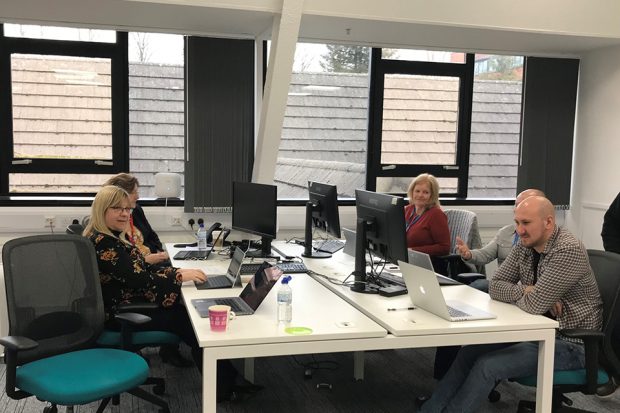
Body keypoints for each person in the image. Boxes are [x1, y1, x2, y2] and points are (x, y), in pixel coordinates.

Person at [420, 196, 603, 413]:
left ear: (548, 222)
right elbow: (494, 285)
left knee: (488, 366)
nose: (519, 230)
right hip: (535, 331)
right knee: (468, 353)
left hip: (571, 342)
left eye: (526, 223)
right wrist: (526, 290)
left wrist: (534, 295)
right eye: (517, 222)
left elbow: (533, 305)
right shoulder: (526, 243)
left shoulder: (567, 250)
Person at [84, 185, 251, 401]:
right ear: (102, 210)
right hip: (123, 314)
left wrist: (178, 271)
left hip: (125, 303)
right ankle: (225, 387)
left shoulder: (107, 237)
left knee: (191, 313)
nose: (125, 213)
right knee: (197, 324)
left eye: (127, 208)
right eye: (117, 209)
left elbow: (139, 269)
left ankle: (227, 380)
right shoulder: (106, 244)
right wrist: (180, 277)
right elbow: (140, 279)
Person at [455, 188, 545, 292]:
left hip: (526, 291)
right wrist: (468, 254)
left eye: (523, 205)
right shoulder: (506, 232)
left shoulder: (548, 242)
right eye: (516, 205)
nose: (517, 209)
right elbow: (486, 254)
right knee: (474, 287)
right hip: (503, 287)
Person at [104, 173, 169, 266]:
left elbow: (152, 236)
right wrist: (146, 260)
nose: (137, 197)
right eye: (133, 192)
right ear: (120, 194)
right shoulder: (113, 223)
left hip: (155, 262)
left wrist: (159, 254)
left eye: (137, 192)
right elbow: (124, 264)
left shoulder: (136, 210)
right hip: (140, 267)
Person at [405, 173, 451, 275]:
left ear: (432, 195)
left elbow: (444, 247)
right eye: (417, 191)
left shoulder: (436, 214)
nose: (420, 195)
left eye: (425, 192)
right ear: (412, 192)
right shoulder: (408, 210)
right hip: (406, 262)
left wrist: (413, 250)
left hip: (427, 267)